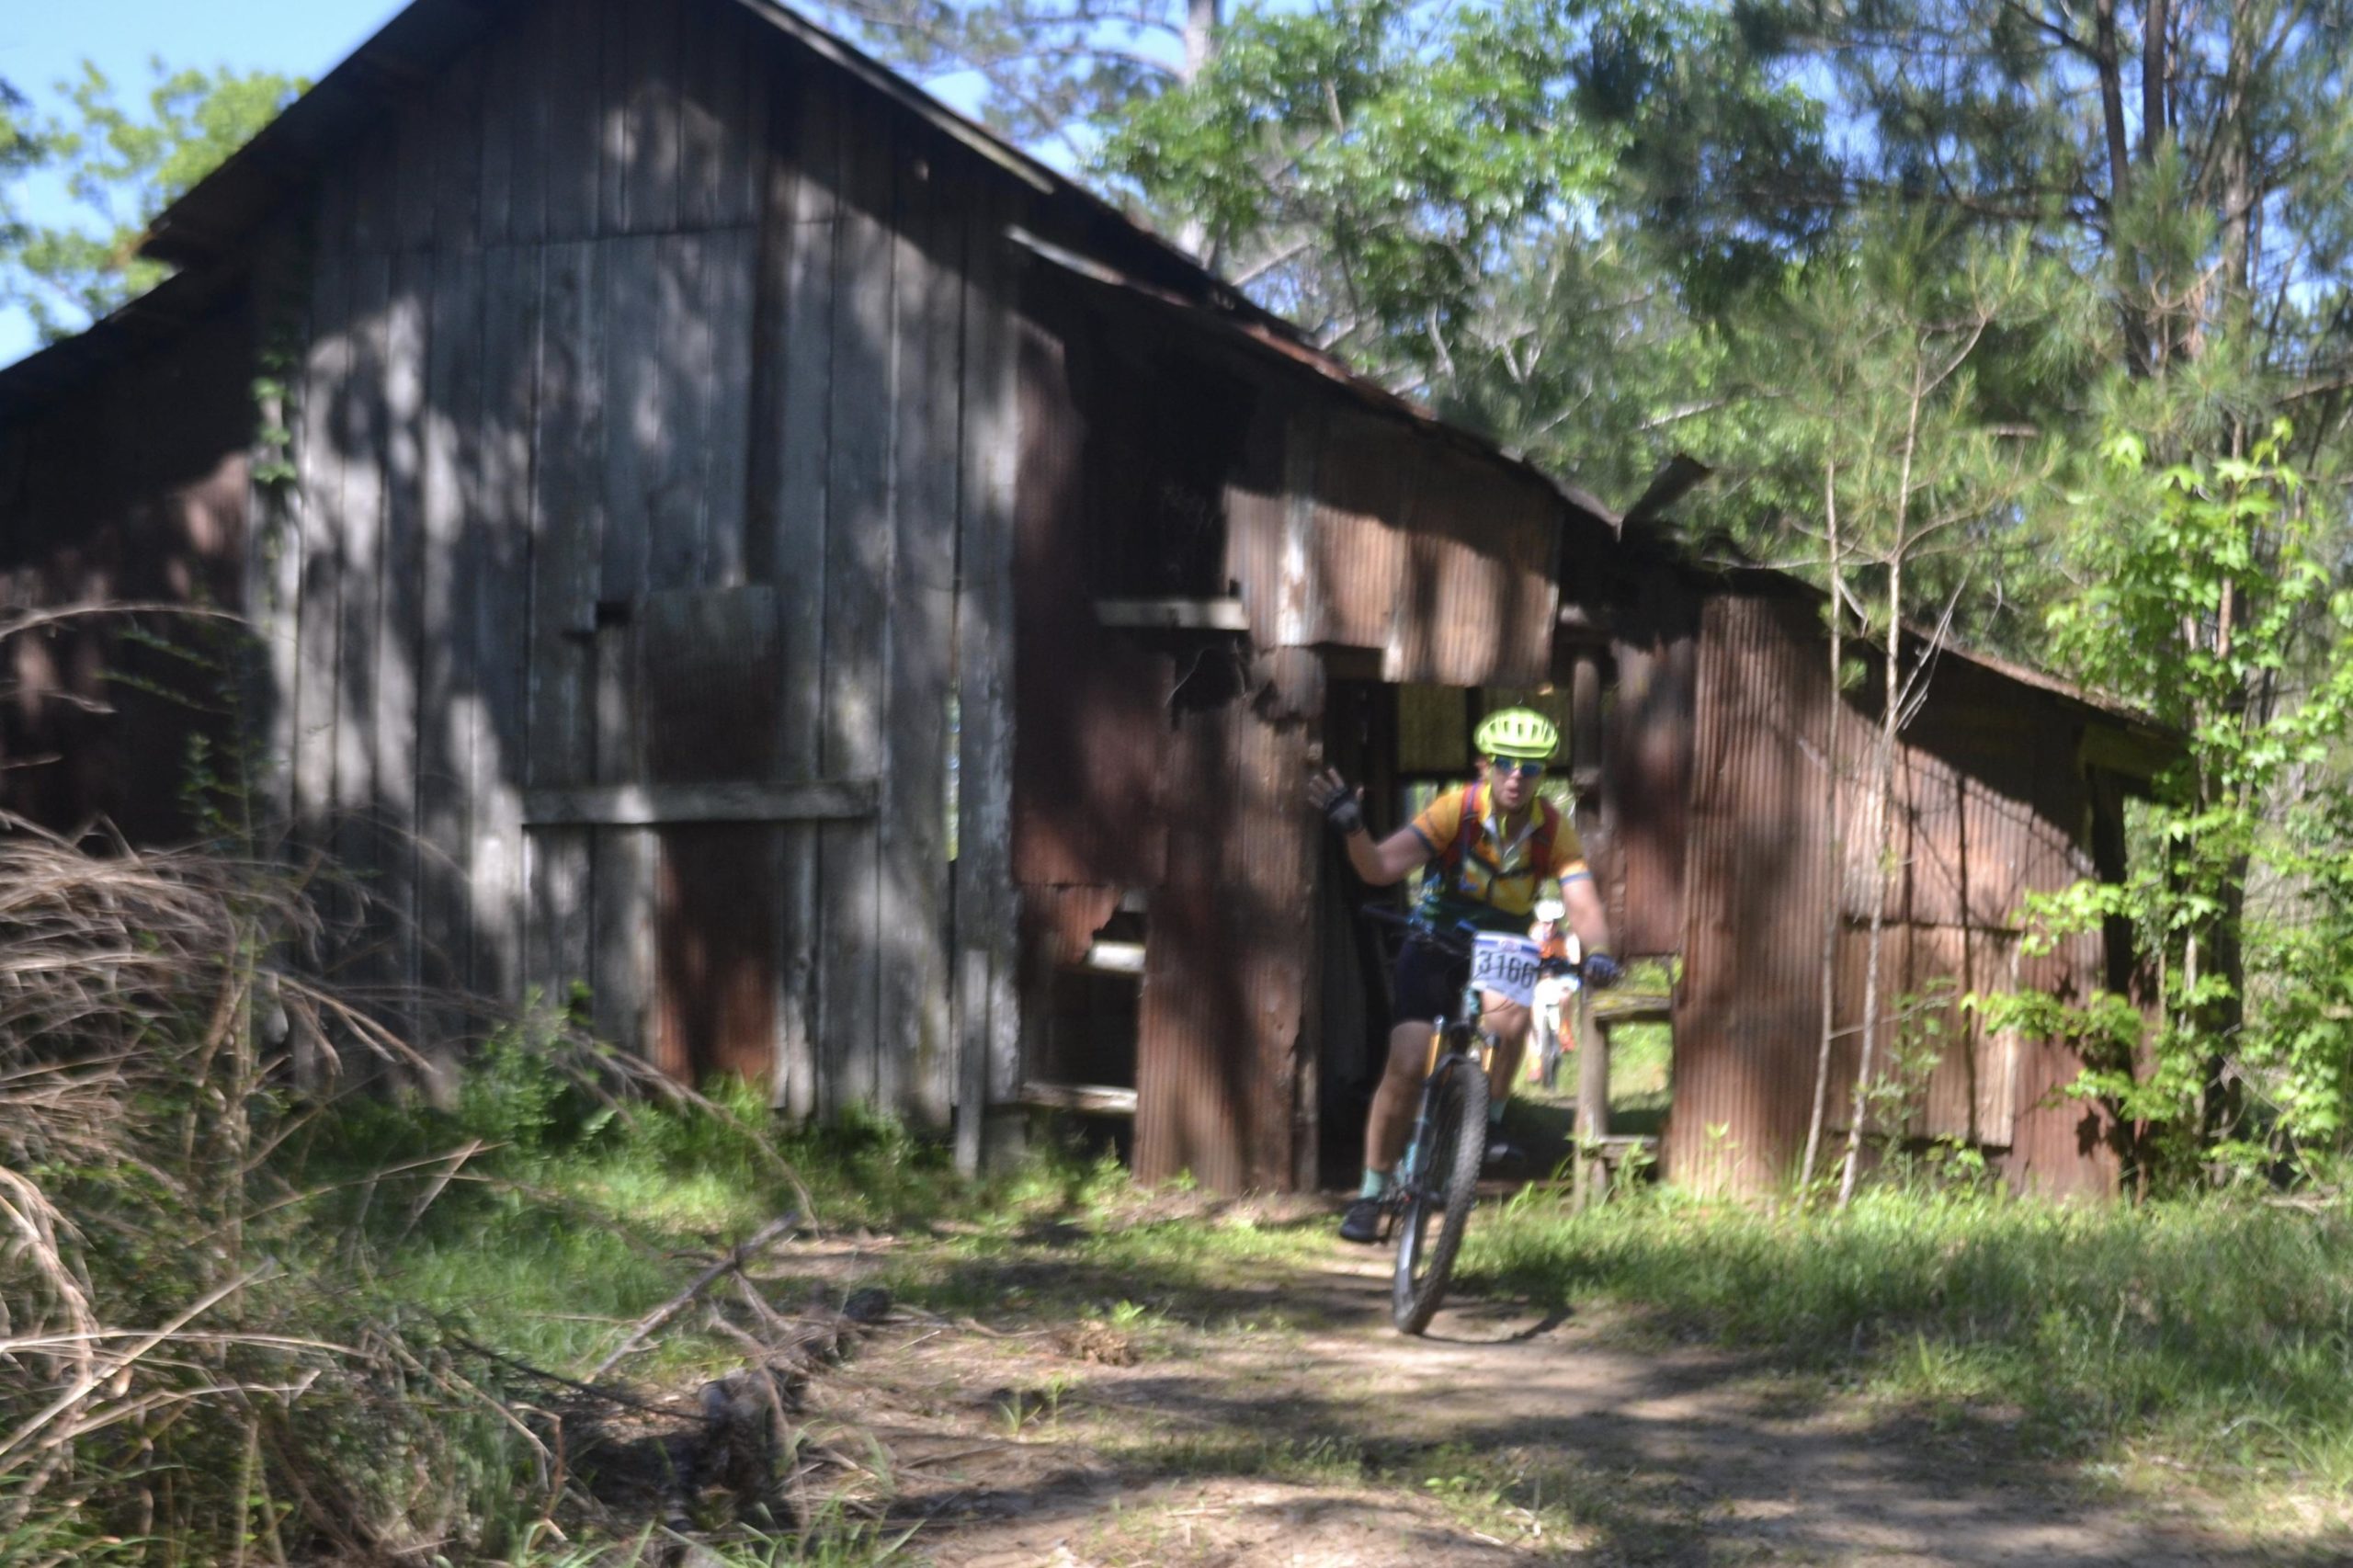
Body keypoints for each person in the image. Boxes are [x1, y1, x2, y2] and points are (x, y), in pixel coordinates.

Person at [1307, 708, 1620, 1244]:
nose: (1516, 776)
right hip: (1437, 934)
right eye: (1504, 764)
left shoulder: (1552, 829)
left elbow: (1582, 903)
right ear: (1484, 767)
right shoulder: (1455, 810)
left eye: (1530, 767)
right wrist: (1353, 827)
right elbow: (1378, 868)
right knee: (1406, 1061)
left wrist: (1599, 951)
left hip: (1503, 940)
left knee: (1510, 1023)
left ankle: (1484, 1127)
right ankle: (1370, 1192)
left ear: (1544, 775)